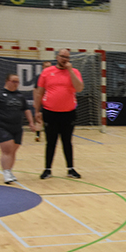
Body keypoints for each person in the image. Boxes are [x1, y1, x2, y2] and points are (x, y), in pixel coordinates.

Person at [34, 48, 83, 179]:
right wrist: (37, 111)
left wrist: (70, 71)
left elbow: (79, 88)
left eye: (67, 57)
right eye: (62, 56)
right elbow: (39, 92)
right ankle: (47, 169)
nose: (64, 59)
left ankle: (70, 169)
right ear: (57, 57)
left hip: (68, 113)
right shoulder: (46, 72)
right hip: (50, 112)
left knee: (67, 141)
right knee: (51, 142)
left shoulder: (75, 72)